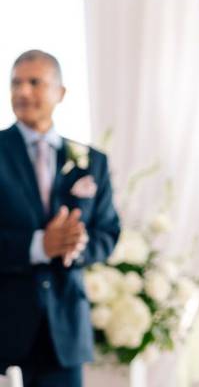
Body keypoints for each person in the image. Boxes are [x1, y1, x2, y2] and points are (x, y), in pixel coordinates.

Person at [0, 50, 120, 387]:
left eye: (34, 82)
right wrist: (39, 245)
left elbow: (108, 232)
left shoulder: (91, 161)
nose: (23, 92)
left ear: (60, 93)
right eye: (16, 83)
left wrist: (77, 245)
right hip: (5, 327)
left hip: (64, 331)